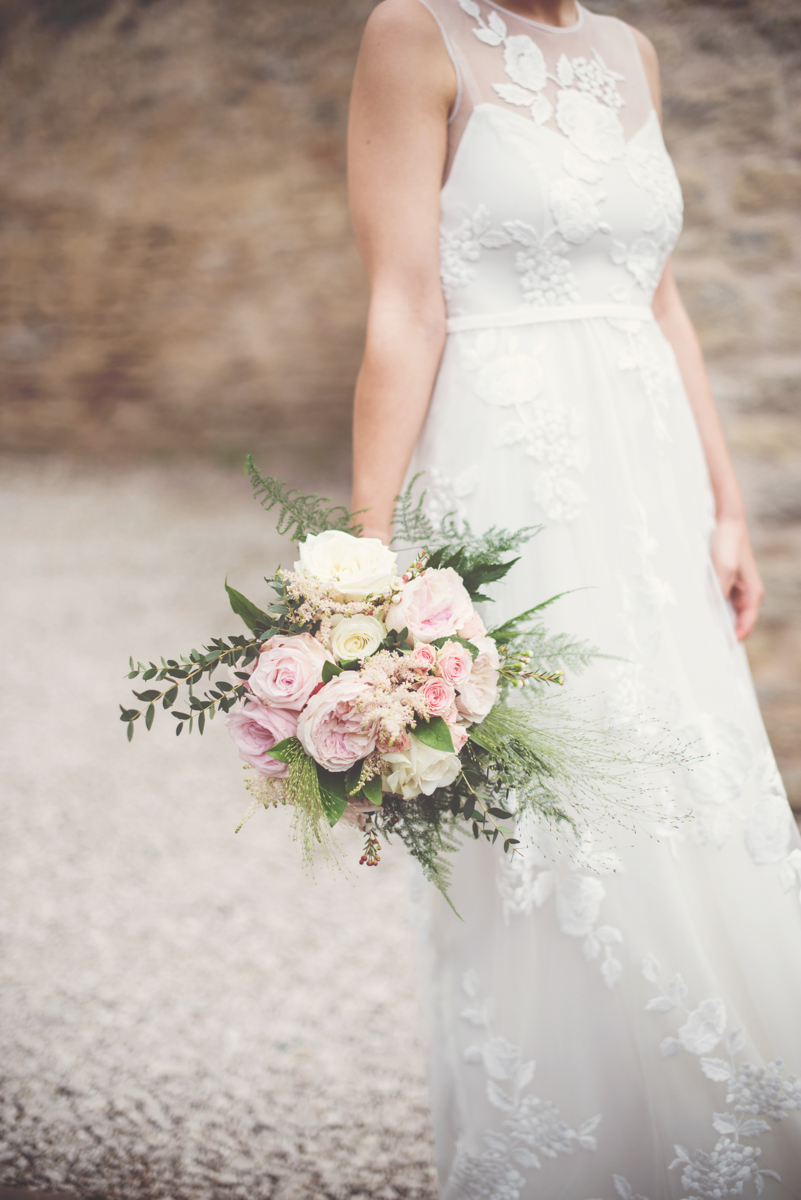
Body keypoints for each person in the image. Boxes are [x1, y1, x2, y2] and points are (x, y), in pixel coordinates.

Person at [347, 1, 801, 1195]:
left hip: (647, 484)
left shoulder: (631, 50)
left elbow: (660, 297)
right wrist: (362, 564)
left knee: (693, 789)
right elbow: (405, 303)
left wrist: (726, 501)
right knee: (558, 826)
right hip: (511, 481)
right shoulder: (414, 34)